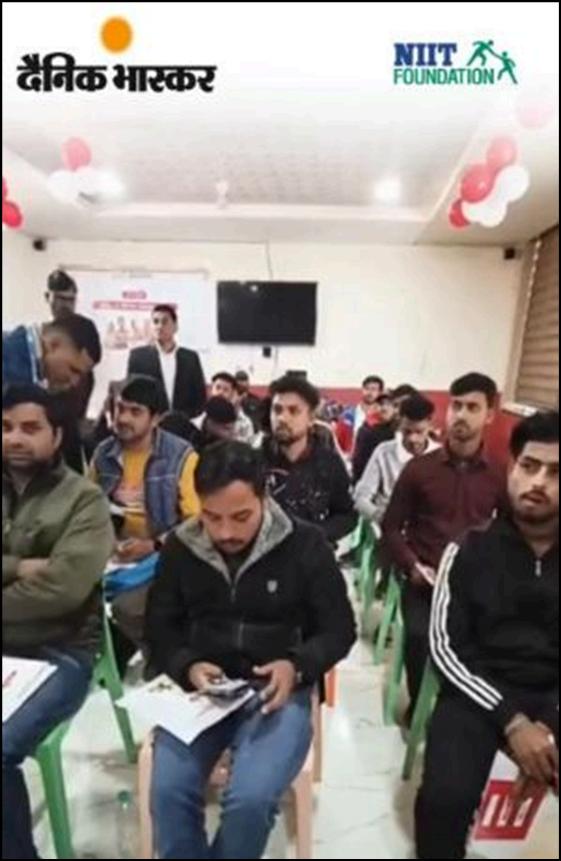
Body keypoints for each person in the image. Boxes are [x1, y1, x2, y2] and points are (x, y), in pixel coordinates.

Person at [146, 441, 356, 859]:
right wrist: (188, 665)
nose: (225, 532)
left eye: (241, 517)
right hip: (201, 692)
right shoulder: (181, 548)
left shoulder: (305, 544)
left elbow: (340, 630)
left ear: (264, 497)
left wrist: (296, 666)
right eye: (212, 517)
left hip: (276, 692)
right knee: (168, 791)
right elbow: (159, 627)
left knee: (250, 801)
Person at [417, 411, 559, 860]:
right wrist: (513, 721)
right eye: (529, 466)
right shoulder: (468, 549)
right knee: (444, 800)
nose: (538, 482)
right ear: (511, 468)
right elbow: (444, 648)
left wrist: (548, 725)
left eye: (556, 473)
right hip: (477, 695)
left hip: (553, 695)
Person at [2, 383, 114, 860]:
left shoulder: (84, 501)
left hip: (58, 652)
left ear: (57, 435)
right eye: (6, 427)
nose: (14, 438)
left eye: (30, 428)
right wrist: (17, 567)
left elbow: (61, 590)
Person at [382, 373, 505, 711]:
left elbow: (509, 532)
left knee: (491, 643)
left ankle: (462, 708)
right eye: (456, 406)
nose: (461, 415)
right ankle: (420, 706)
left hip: (472, 585)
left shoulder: (499, 474)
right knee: (420, 638)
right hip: (425, 583)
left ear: (490, 415)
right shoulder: (419, 470)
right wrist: (412, 566)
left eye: (472, 407)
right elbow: (391, 527)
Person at [90, 376, 200, 665]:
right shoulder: (103, 454)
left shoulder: (180, 457)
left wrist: (153, 545)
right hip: (112, 555)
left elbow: (196, 522)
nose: (123, 418)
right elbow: (87, 508)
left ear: (156, 419)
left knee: (128, 608)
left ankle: (162, 662)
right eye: (120, 408)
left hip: (164, 556)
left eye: (135, 412)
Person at [263, 375, 357, 543]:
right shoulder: (253, 461)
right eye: (277, 410)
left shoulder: (329, 464)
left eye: (293, 411)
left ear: (311, 418)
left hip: (313, 550)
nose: (282, 418)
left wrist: (315, 536)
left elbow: (346, 515)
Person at [355, 394, 438, 529]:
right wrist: (382, 517)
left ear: (430, 424)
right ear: (400, 424)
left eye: (419, 432)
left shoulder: (440, 456)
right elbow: (360, 499)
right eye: (407, 432)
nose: (412, 439)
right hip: (386, 526)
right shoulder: (383, 452)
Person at [127, 304, 207, 418]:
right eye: (155, 322)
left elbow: (200, 398)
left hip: (183, 423)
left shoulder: (190, 358)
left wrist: (184, 418)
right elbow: (132, 396)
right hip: (150, 423)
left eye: (164, 322)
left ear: (175, 326)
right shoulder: (138, 357)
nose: (159, 326)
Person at [352, 384, 418, 483]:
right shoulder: (370, 434)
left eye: (388, 404)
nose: (398, 411)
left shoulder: (429, 443)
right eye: (396, 405)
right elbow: (360, 473)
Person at [160, 396, 237, 452]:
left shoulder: (217, 442)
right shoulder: (176, 426)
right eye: (226, 429)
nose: (232, 434)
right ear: (210, 422)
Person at [337, 374, 385, 453]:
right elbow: (338, 442)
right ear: (362, 390)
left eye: (373, 389)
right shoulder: (347, 415)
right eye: (367, 388)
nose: (369, 392)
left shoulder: (382, 418)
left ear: (380, 392)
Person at [209, 372, 255, 444]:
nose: (220, 392)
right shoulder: (201, 418)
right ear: (211, 391)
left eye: (226, 390)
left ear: (232, 394)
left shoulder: (245, 423)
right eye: (217, 387)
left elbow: (249, 446)